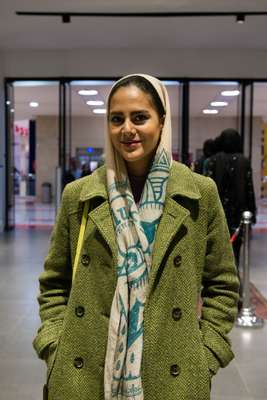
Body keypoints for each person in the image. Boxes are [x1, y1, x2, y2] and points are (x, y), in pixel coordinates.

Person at [33, 74, 239, 400]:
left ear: (161, 121)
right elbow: (54, 283)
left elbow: (223, 285)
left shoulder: (199, 193)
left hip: (175, 375)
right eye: (117, 119)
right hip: (84, 374)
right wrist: (55, 345)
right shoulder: (80, 195)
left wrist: (205, 355)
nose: (127, 129)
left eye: (139, 117)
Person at [205, 128, 257, 267]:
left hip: (217, 211)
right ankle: (234, 278)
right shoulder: (244, 161)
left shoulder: (213, 161)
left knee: (216, 250)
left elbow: (207, 187)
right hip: (238, 214)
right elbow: (249, 189)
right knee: (235, 250)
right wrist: (252, 212)